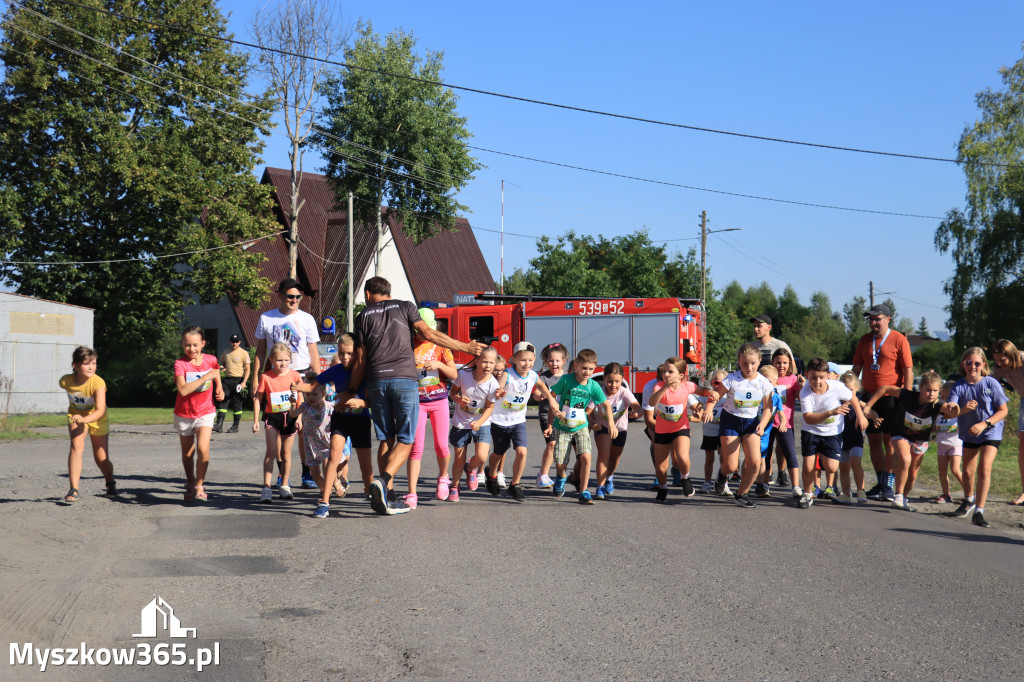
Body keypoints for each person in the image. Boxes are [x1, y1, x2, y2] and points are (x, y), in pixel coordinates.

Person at [342, 276, 484, 515]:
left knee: (386, 438)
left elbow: (361, 359)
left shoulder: (362, 317)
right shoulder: (406, 306)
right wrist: (465, 347)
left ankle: (387, 492)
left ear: (367, 295)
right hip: (404, 380)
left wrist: (352, 389)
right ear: (388, 292)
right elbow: (428, 334)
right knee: (407, 439)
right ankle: (383, 480)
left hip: (376, 381)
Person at [292, 335, 373, 519]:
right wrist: (296, 387)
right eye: (342, 353)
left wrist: (360, 402)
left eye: (350, 354)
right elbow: (312, 385)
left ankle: (370, 491)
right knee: (333, 455)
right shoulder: (335, 370)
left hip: (360, 421)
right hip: (340, 419)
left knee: (366, 467)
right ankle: (325, 501)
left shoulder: (365, 372)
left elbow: (372, 402)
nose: (345, 358)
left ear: (358, 353)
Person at [252, 278, 321, 490]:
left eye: (298, 297)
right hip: (276, 378)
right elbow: (261, 350)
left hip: (301, 375)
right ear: (280, 295)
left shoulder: (307, 319)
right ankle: (284, 476)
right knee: (282, 428)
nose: (294, 300)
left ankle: (307, 473)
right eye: (290, 296)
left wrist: (318, 380)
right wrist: (255, 377)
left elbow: (313, 351)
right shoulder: (267, 318)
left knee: (303, 428)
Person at [863, 370, 951, 512]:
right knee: (905, 459)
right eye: (928, 390)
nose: (931, 394)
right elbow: (885, 388)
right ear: (920, 388)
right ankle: (898, 494)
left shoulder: (937, 405)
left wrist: (960, 409)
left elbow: (953, 412)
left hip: (920, 440)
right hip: (900, 434)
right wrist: (868, 406)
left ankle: (904, 497)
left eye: (935, 391)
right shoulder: (908, 395)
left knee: (912, 474)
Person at [852, 303, 913, 502]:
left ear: (888, 319)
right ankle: (880, 483)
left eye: (877, 318)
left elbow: (908, 371)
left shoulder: (899, 339)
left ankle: (889, 484)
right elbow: (856, 369)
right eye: (871, 319)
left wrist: (908, 397)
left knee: (890, 441)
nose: (873, 322)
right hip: (869, 397)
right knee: (874, 440)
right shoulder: (864, 341)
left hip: (892, 398)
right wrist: (851, 391)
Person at [944, 347, 1009, 528]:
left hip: (990, 431)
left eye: (977, 363)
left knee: (984, 468)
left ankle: (979, 511)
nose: (973, 366)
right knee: (968, 472)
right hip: (969, 432)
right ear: (963, 364)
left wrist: (984, 424)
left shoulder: (991, 383)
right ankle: (968, 500)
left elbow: (1003, 410)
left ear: (983, 365)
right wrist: (959, 409)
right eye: (969, 363)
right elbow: (952, 408)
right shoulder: (958, 386)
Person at [485, 342, 558, 502]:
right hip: (500, 421)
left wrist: (552, 401)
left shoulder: (532, 375)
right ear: (514, 359)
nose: (527, 364)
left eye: (531, 360)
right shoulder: (508, 373)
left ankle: (515, 484)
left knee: (522, 452)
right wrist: (500, 392)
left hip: (518, 420)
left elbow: (541, 385)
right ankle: (491, 475)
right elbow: (500, 387)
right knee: (498, 453)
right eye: (523, 360)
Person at [797, 357, 867, 509]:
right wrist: (831, 412)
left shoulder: (837, 386)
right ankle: (807, 495)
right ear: (807, 375)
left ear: (828, 376)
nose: (817, 381)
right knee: (808, 466)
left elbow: (852, 398)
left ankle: (824, 457)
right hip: (811, 431)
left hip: (832, 432)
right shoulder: (805, 393)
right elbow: (808, 419)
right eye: (813, 377)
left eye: (821, 377)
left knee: (832, 467)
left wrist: (861, 416)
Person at [549, 348, 615, 504]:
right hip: (563, 426)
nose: (587, 372)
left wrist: (611, 423)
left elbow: (606, 404)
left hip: (581, 426)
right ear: (576, 365)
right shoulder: (566, 380)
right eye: (584, 368)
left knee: (586, 456)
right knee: (560, 463)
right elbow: (551, 397)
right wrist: (555, 412)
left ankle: (584, 491)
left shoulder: (593, 385)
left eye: (591, 369)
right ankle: (561, 476)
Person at [648, 356, 717, 502]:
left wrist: (711, 392)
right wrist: (665, 387)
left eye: (670, 372)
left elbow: (702, 390)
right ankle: (663, 487)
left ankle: (685, 479)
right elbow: (652, 401)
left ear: (681, 375)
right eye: (665, 371)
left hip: (681, 428)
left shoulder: (687, 386)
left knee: (682, 457)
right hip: (662, 430)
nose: (666, 374)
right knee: (661, 468)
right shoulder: (659, 386)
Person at [715, 343, 776, 508]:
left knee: (755, 462)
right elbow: (715, 396)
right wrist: (707, 406)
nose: (749, 367)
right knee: (731, 465)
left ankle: (741, 493)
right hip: (730, 420)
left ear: (759, 361)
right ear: (739, 362)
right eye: (744, 363)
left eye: (753, 363)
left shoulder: (763, 382)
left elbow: (768, 407)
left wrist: (762, 424)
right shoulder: (731, 379)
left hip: (751, 423)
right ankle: (722, 474)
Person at [410, 308, 459, 506]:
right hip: (417, 402)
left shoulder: (440, 344)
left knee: (441, 446)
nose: (423, 334)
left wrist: (438, 365)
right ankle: (412, 493)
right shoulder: (407, 345)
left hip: (438, 401)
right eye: (420, 331)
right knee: (416, 448)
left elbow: (454, 374)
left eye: (427, 330)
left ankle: (443, 477)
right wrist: (409, 363)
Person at [173, 326, 224, 503]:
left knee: (203, 449)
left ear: (203, 343)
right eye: (188, 345)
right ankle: (190, 482)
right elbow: (183, 390)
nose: (192, 349)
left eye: (195, 345)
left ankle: (199, 486)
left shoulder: (210, 360)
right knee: (188, 454)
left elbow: (216, 371)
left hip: (206, 411)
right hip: (184, 414)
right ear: (182, 345)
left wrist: (219, 387)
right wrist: (205, 378)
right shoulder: (180, 364)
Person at [59, 346, 115, 502]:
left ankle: (110, 482)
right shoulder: (65, 381)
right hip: (76, 416)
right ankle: (73, 489)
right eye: (86, 364)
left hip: (97, 418)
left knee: (101, 459)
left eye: (94, 363)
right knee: (76, 446)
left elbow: (100, 410)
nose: (91, 367)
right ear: (75, 365)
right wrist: (80, 418)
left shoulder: (98, 383)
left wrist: (85, 419)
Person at [448, 347, 502, 500]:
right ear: (477, 361)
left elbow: (490, 407)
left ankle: (470, 469)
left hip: (482, 422)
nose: (488, 366)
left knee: (482, 457)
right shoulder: (463, 375)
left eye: (492, 363)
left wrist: (479, 422)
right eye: (484, 361)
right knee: (459, 458)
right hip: (461, 422)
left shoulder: (493, 383)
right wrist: (457, 399)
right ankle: (455, 486)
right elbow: (453, 392)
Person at [253, 343, 303, 503]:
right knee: (272, 451)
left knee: (286, 454)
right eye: (279, 360)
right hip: (272, 417)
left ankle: (285, 484)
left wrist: (299, 418)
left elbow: (300, 398)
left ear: (291, 360)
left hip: (291, 416)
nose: (283, 363)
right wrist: (255, 420)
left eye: (286, 360)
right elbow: (258, 398)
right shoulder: (266, 377)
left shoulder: (295, 376)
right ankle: (266, 487)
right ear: (271, 360)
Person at [593, 362, 642, 500]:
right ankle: (600, 487)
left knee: (614, 458)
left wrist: (636, 413)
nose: (613, 385)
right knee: (603, 455)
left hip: (620, 429)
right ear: (604, 378)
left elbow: (637, 407)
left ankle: (609, 477)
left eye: (617, 382)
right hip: (603, 428)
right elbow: (588, 411)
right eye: (610, 381)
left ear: (622, 380)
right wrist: (592, 422)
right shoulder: (599, 392)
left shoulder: (624, 392)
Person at [991, 339, 1024, 506]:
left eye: (1002, 360)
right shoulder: (1000, 368)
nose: (998, 364)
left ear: (1012, 355)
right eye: (996, 360)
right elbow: (988, 383)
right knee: (1023, 443)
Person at [768, 348, 802, 493]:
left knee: (790, 453)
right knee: (765, 454)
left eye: (784, 363)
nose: (781, 366)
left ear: (790, 364)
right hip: (767, 422)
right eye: (778, 362)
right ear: (772, 363)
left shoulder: (793, 379)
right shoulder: (765, 377)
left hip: (785, 423)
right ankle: (763, 483)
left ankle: (795, 486)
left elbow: (801, 399)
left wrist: (801, 386)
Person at [534, 342, 568, 488]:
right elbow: (536, 394)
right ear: (546, 362)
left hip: (564, 416)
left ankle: (559, 475)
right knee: (552, 444)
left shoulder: (568, 377)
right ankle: (543, 475)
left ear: (564, 361)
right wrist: (540, 396)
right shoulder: (543, 377)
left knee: (562, 447)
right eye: (551, 361)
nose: (554, 364)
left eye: (557, 361)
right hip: (546, 415)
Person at [753, 365, 786, 499]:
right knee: (751, 460)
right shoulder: (755, 396)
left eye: (770, 382)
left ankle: (761, 485)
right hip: (752, 433)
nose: (766, 385)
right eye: (763, 381)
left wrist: (783, 422)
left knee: (762, 461)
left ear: (776, 383)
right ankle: (747, 481)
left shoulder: (776, 398)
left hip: (765, 435)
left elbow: (781, 414)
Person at [838, 372, 868, 503]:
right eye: (844, 390)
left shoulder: (858, 403)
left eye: (850, 390)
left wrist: (876, 417)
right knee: (844, 467)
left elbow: (869, 410)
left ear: (857, 389)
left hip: (856, 438)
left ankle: (861, 491)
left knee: (856, 462)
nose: (847, 394)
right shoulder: (837, 402)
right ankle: (846, 493)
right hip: (841, 439)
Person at [933, 381, 964, 504]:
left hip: (955, 444)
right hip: (941, 443)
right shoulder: (938, 412)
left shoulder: (959, 413)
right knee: (942, 470)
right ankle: (946, 494)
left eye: (947, 397)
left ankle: (970, 493)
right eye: (942, 397)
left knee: (955, 470)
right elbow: (934, 427)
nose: (944, 400)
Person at [697, 370, 728, 494]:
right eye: (715, 382)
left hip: (723, 431)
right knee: (709, 458)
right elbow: (697, 408)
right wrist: (698, 412)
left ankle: (724, 483)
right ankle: (707, 482)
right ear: (711, 382)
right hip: (709, 431)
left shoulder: (728, 396)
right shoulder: (705, 396)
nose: (718, 386)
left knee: (724, 458)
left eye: (721, 383)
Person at [214, 334, 249, 433]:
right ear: (230, 342)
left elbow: (248, 369)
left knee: (237, 404)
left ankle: (235, 426)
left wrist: (244, 382)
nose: (234, 343)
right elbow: (224, 364)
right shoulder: (226, 352)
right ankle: (219, 424)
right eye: (233, 341)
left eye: (236, 341)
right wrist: (220, 368)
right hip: (227, 380)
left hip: (238, 381)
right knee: (223, 400)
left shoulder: (244, 353)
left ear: (239, 342)